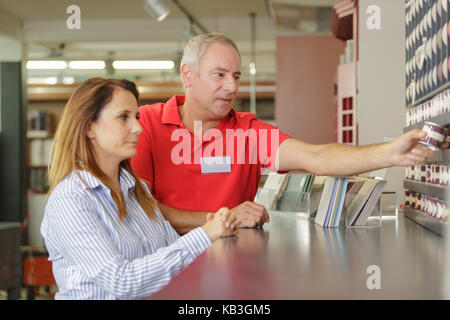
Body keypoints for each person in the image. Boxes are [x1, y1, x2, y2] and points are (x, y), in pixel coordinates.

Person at [131, 33, 435, 234]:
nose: (232, 87)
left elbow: (315, 156)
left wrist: (388, 153)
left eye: (235, 76)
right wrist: (221, 219)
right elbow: (137, 208)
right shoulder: (146, 124)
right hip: (165, 267)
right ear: (188, 74)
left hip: (233, 266)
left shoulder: (247, 131)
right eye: (219, 75)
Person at [40, 77, 239, 300]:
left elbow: (173, 253)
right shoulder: (70, 200)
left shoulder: (138, 192)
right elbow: (122, 282)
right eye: (123, 117)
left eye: (136, 117)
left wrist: (221, 231)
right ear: (89, 127)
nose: (137, 127)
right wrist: (206, 233)